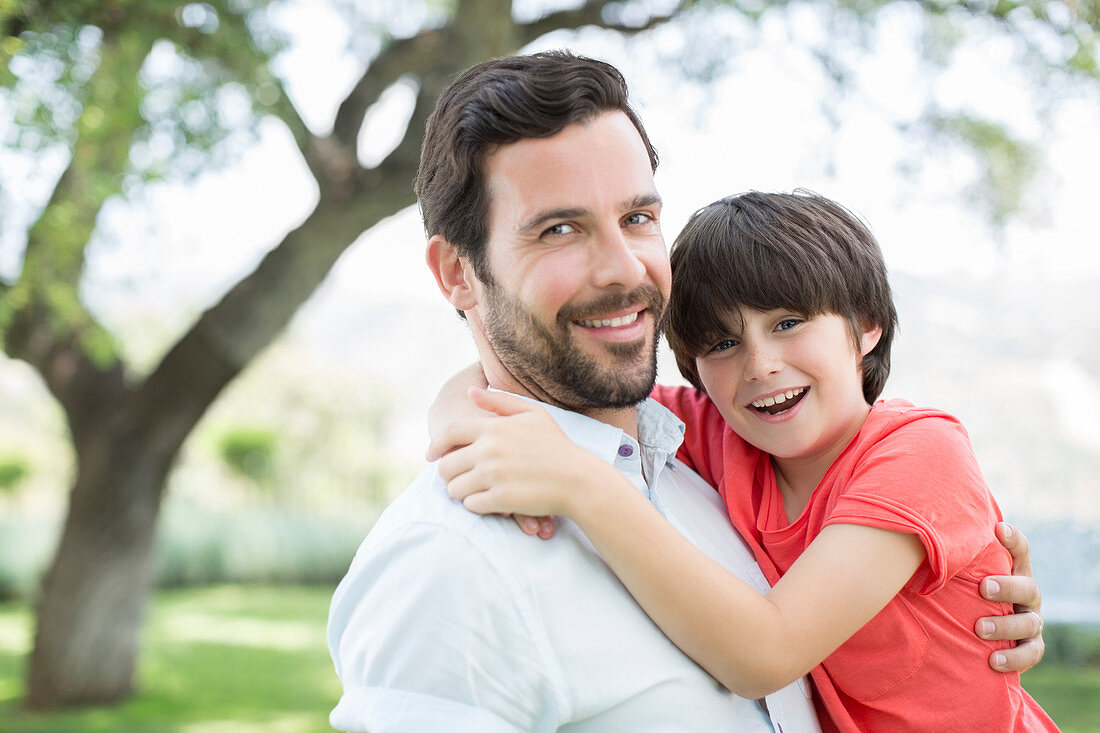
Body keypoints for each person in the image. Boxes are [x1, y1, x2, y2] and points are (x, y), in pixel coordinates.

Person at [327, 51, 1044, 733]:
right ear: (457, 274)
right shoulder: (449, 562)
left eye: (637, 218)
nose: (623, 267)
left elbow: (777, 648)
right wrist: (464, 414)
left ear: (868, 327)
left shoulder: (682, 458)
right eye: (560, 228)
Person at [437, 191, 1055, 730]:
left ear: (866, 326)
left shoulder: (921, 453)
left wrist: (585, 487)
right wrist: (454, 419)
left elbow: (766, 654)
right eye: (724, 343)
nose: (759, 365)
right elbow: (537, 381)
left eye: (788, 323)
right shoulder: (723, 429)